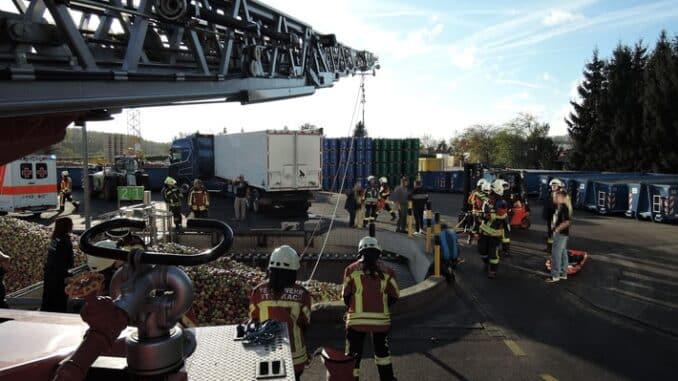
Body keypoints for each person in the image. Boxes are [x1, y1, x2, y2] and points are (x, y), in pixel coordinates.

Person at [249, 246, 311, 381]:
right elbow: (305, 322)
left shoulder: (258, 291)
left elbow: (254, 319)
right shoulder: (302, 293)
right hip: (295, 354)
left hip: (266, 352)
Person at [343, 236, 399, 381]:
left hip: (355, 320)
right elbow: (395, 295)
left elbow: (346, 295)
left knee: (353, 354)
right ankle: (387, 378)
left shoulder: (350, 269)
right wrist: (382, 305)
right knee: (382, 353)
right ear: (378, 252)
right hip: (381, 320)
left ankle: (351, 379)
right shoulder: (389, 271)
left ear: (360, 252)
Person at [41, 217, 74, 312]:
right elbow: (65, 261)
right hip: (59, 277)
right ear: (66, 226)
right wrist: (67, 275)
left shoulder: (55, 239)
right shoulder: (65, 241)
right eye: (71, 224)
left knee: (48, 300)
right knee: (59, 302)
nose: (72, 226)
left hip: (50, 275)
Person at [477, 181, 509, 279]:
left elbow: (503, 216)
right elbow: (484, 212)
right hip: (484, 232)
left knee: (493, 253)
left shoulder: (502, 203)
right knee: (482, 250)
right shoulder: (489, 200)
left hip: (494, 234)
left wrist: (490, 215)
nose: (490, 191)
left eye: (492, 190)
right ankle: (486, 263)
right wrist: (481, 215)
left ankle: (493, 270)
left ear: (497, 191)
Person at [546, 190, 572, 283]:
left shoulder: (564, 208)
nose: (555, 198)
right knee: (563, 253)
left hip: (560, 234)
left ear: (563, 198)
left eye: (557, 197)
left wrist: (557, 230)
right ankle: (563, 274)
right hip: (562, 234)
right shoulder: (559, 207)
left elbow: (567, 222)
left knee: (556, 254)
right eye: (554, 196)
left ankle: (555, 276)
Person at [543, 179, 564, 252]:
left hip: (556, 218)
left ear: (559, 186)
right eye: (552, 185)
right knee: (550, 233)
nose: (553, 187)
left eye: (555, 186)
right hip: (550, 217)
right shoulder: (550, 194)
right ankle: (549, 248)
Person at [467, 179, 489, 244]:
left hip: (485, 212)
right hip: (477, 212)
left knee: (485, 226)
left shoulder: (487, 193)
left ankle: (483, 241)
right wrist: (474, 202)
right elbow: (469, 201)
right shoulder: (475, 192)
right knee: (475, 226)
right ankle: (470, 236)